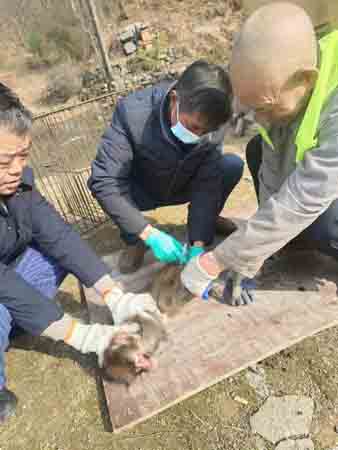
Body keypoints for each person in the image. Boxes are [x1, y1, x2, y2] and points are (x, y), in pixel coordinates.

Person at [0, 83, 161, 423]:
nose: (16, 168)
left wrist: (115, 295)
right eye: (4, 160)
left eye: (23, 155)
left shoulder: (19, 184)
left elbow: (58, 234)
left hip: (8, 270)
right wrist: (82, 336)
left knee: (52, 256)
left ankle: (20, 322)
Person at [180, 2, 338, 305]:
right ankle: (295, 240)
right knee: (255, 149)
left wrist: (219, 259)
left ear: (306, 79)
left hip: (325, 190)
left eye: (265, 107)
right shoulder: (283, 84)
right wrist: (252, 254)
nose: (259, 119)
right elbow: (273, 167)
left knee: (324, 219)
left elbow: (305, 196)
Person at [88, 60, 244, 274]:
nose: (198, 136)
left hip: (183, 183)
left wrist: (198, 245)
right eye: (193, 127)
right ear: (174, 100)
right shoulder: (133, 114)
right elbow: (104, 180)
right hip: (142, 189)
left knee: (230, 166)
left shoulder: (215, 122)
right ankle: (136, 241)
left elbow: (207, 182)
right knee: (112, 184)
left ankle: (207, 222)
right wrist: (146, 232)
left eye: (205, 131)